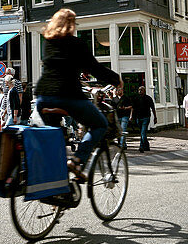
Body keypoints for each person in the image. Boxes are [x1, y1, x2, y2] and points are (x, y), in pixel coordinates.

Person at [34, 9, 121, 179]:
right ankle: (76, 161)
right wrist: (116, 80)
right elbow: (95, 68)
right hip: (68, 96)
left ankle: (58, 188)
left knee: (56, 139)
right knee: (100, 124)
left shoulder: (48, 43)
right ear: (71, 25)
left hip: (43, 98)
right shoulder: (77, 44)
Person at [122, 85, 157, 153]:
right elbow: (133, 108)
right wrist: (131, 116)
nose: (140, 91)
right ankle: (146, 146)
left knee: (143, 132)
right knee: (142, 132)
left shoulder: (148, 98)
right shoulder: (136, 98)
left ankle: (141, 146)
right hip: (138, 117)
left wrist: (155, 117)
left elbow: (153, 108)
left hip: (146, 117)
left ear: (144, 91)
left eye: (141, 90)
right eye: (139, 90)